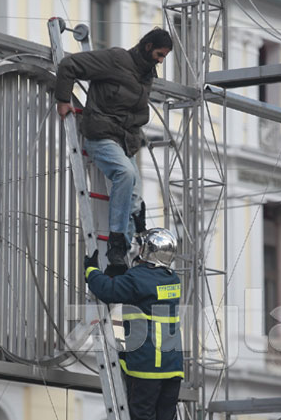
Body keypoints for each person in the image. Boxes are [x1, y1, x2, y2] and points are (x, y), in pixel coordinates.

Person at [55, 28, 173, 275]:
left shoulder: (146, 75)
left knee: (135, 200)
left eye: (165, 57)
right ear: (148, 46)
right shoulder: (117, 60)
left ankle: (120, 263)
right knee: (125, 175)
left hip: (125, 141)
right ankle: (116, 244)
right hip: (101, 135)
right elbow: (69, 65)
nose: (161, 60)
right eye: (160, 54)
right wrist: (63, 98)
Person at [84, 228, 183, 420]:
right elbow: (145, 288)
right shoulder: (172, 279)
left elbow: (108, 290)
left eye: (141, 247)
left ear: (148, 252)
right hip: (172, 370)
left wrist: (91, 271)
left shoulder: (138, 279)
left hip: (147, 369)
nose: (138, 251)